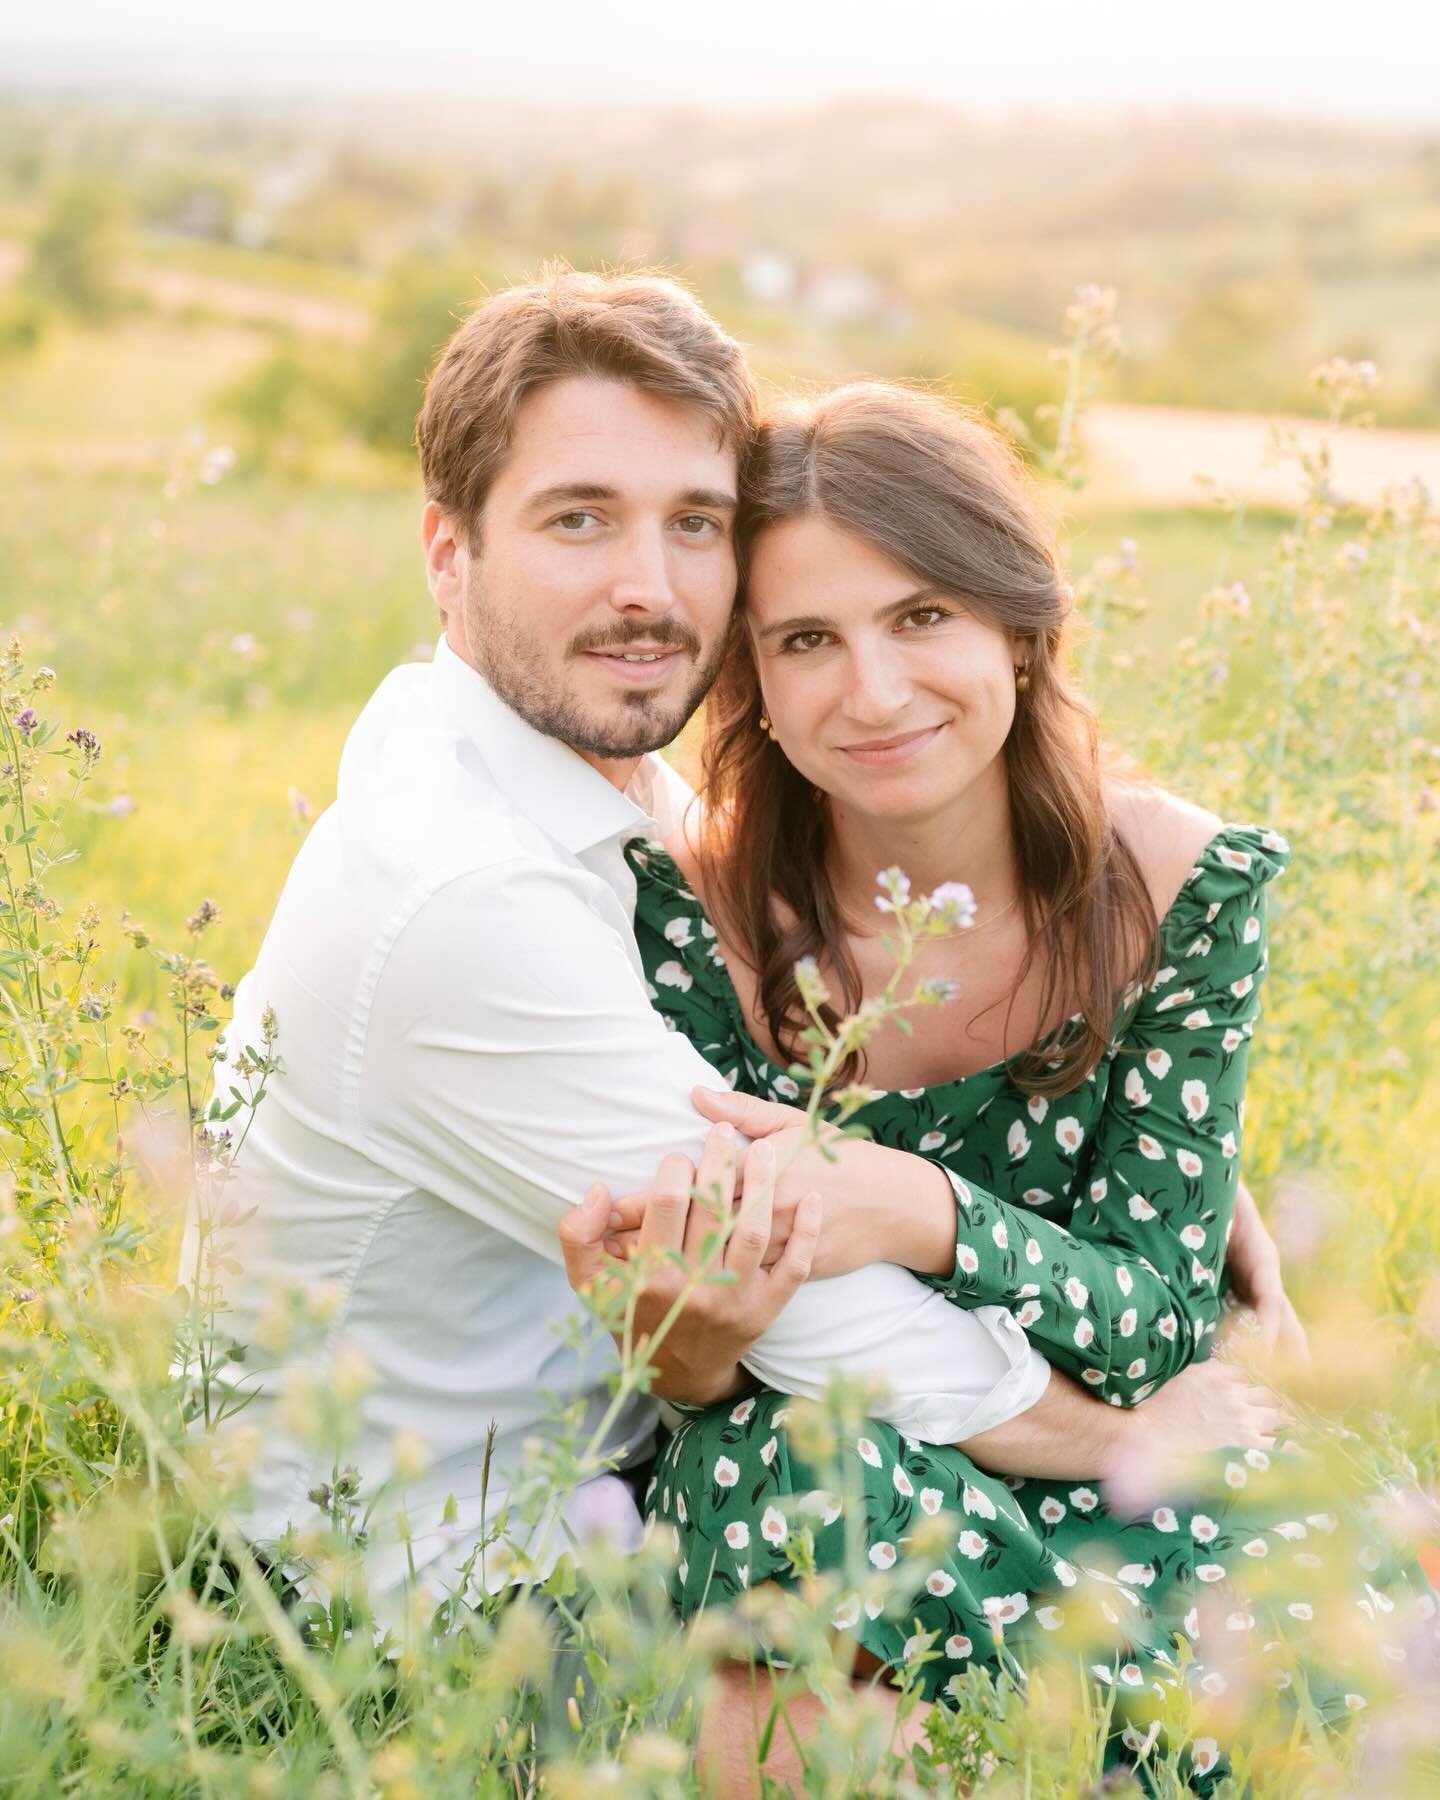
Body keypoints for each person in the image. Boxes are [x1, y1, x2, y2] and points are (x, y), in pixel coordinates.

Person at [186, 268, 1298, 1787]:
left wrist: (1172, 1157)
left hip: (640, 1462)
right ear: (448, 554)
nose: (649, 586)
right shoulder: (461, 896)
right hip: (444, 1595)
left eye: (695, 523)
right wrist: (1120, 1436)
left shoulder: (582, 787)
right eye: (578, 518)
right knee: (863, 1577)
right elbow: (805, 1296)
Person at [584, 381, 1433, 1774]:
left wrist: (920, 1208)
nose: (876, 690)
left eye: (923, 616)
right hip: (850, 1454)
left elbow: (1160, 1319)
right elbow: (722, 1348)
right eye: (808, 640)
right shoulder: (700, 916)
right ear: (752, 685)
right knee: (787, 1488)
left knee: (1311, 1650)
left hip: (1154, 1445)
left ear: (1020, 628)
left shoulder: (1171, 885)